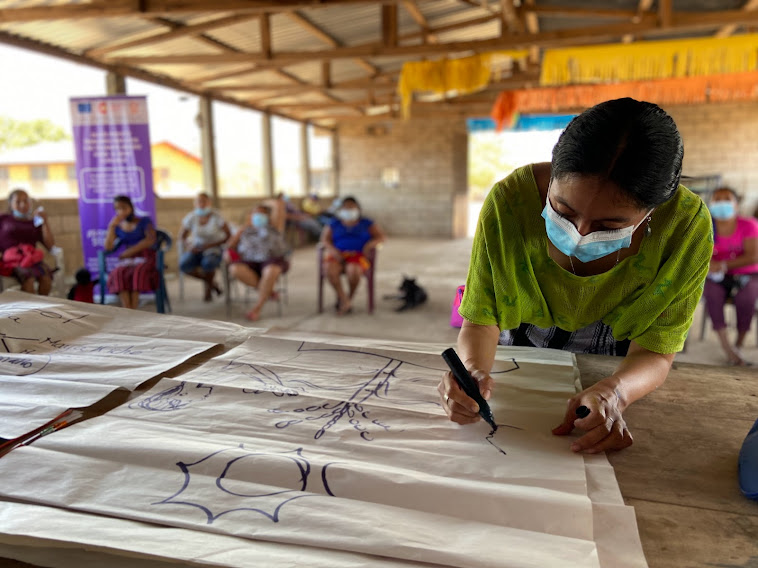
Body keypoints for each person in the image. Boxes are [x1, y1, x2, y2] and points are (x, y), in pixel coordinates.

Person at [438, 98, 713, 454]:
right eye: (563, 210)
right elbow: (481, 320)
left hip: (617, 357)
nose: (579, 232)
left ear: (652, 212)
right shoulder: (510, 202)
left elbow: (656, 352)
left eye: (609, 225)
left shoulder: (685, 229)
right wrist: (472, 375)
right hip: (519, 344)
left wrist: (616, 392)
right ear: (552, 175)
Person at [703, 187, 758, 366]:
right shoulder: (705, 227)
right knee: (710, 294)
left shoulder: (748, 225)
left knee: (747, 298)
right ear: (711, 205)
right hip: (716, 277)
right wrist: (711, 265)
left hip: (747, 274)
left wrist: (724, 265)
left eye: (727, 199)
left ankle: (739, 344)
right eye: (717, 199)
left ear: (736, 205)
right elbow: (700, 253)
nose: (722, 203)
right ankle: (727, 348)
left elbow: (753, 256)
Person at [320, 196, 385, 315]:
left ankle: (348, 299)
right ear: (340, 210)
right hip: (337, 255)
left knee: (353, 271)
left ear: (358, 209)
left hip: (358, 256)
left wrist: (370, 244)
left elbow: (381, 237)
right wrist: (333, 251)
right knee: (329, 269)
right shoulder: (334, 224)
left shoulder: (367, 223)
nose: (349, 210)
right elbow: (325, 240)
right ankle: (343, 298)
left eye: (351, 207)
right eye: (346, 207)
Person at [226, 204, 290, 322]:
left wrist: (268, 202)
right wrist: (240, 231)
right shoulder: (244, 230)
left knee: (271, 270)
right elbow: (230, 246)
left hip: (272, 259)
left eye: (262, 214)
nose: (258, 216)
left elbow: (279, 206)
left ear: (268, 216)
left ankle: (257, 308)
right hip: (249, 260)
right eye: (256, 213)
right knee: (234, 269)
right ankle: (268, 291)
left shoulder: (274, 228)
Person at [104, 195, 158, 310]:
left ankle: (134, 308)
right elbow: (108, 247)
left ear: (131, 207)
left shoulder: (144, 221)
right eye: (117, 208)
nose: (121, 211)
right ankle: (127, 308)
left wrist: (130, 251)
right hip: (127, 260)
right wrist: (111, 226)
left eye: (124, 207)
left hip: (145, 256)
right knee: (118, 273)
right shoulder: (118, 226)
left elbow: (151, 239)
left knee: (137, 272)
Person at [0, 188, 55, 295]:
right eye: (18, 202)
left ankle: (40, 308)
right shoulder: (4, 219)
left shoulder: (35, 222)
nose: (22, 205)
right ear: (10, 204)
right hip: (11, 261)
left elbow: (50, 246)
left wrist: (45, 223)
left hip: (32, 260)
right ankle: (30, 309)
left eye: (26, 201)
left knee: (46, 279)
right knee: (28, 280)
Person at [179, 193, 231, 302]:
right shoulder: (191, 217)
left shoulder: (217, 217)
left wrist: (210, 245)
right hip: (196, 248)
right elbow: (182, 236)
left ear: (209, 203)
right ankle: (212, 284)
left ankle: (208, 290)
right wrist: (189, 245)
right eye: (199, 201)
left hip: (214, 248)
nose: (201, 204)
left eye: (204, 201)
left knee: (208, 263)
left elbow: (228, 236)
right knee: (184, 265)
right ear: (195, 204)